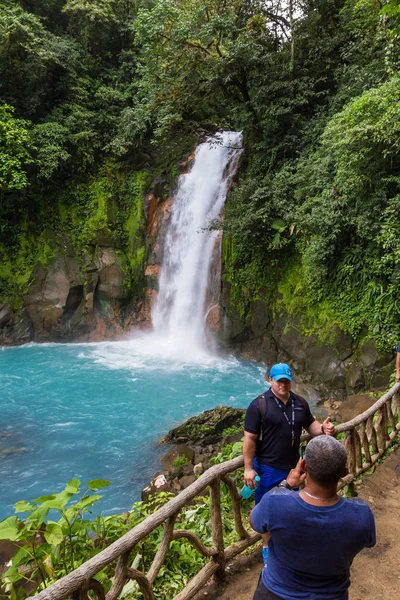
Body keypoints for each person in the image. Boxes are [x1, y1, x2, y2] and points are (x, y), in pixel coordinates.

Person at [250, 436, 376, 600]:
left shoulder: (275, 502)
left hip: (274, 593)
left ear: (303, 466)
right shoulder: (361, 514)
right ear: (344, 472)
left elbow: (254, 520)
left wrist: (285, 485)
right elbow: (369, 542)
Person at [243, 363, 336, 563]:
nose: (283, 385)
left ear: (290, 381)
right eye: (279, 381)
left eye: (286, 381)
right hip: (268, 467)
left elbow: (312, 427)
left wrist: (324, 429)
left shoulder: (300, 403)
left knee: (293, 505)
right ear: (270, 380)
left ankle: (287, 541)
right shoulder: (259, 405)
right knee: (267, 508)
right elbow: (249, 439)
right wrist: (249, 468)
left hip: (294, 468)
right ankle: (267, 547)